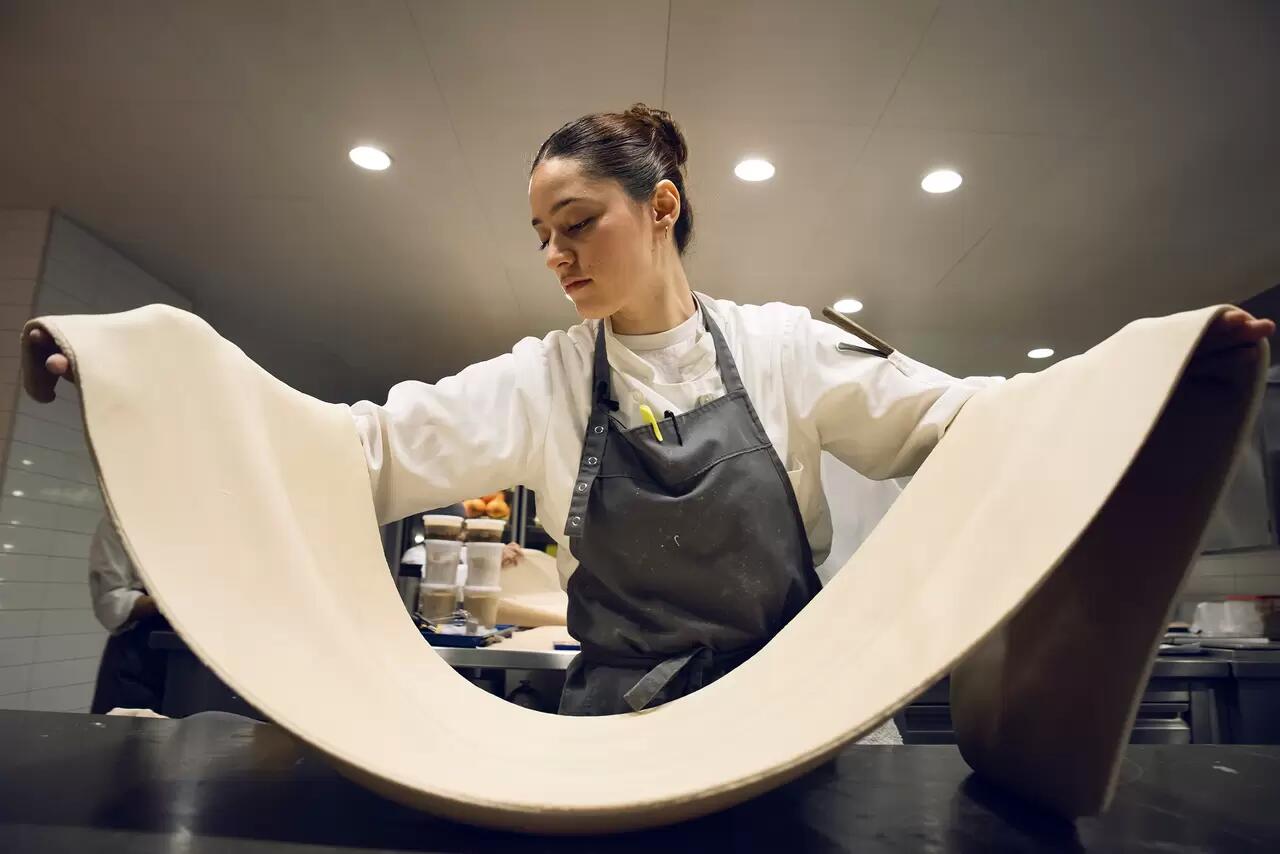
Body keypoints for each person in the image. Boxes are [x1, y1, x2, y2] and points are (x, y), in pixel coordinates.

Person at [27, 105, 1275, 721]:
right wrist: (136, 376)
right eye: (540, 238)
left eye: (580, 224)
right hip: (617, 732)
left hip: (792, 725)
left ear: (662, 205)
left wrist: (1155, 374)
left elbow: (973, 420)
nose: (556, 258)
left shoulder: (786, 349)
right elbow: (348, 444)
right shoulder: (545, 379)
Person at [87, 515, 170, 715]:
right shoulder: (121, 519)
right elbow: (110, 603)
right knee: (121, 742)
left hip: (195, 666)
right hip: (138, 660)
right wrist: (172, 602)